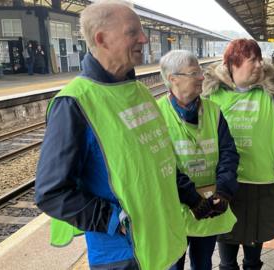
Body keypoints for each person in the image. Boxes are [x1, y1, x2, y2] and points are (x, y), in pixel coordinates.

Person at [34, 1, 189, 269]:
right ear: (102, 39)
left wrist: (192, 198)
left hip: (165, 240)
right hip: (122, 256)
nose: (144, 38)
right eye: (133, 32)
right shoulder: (74, 104)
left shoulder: (138, 91)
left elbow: (160, 157)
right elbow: (51, 192)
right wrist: (112, 220)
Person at [202, 39, 274, 270]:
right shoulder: (210, 94)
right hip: (225, 181)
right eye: (252, 60)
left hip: (262, 179)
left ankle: (252, 264)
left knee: (257, 233)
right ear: (231, 64)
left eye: (259, 59)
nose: (259, 65)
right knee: (226, 233)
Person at [158, 50, 240, 270]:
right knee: (172, 265)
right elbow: (159, 165)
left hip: (210, 205)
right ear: (172, 79)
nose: (202, 77)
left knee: (203, 264)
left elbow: (229, 155)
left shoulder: (214, 111)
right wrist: (192, 197)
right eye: (194, 73)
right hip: (176, 209)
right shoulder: (156, 115)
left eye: (200, 72)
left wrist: (224, 191)